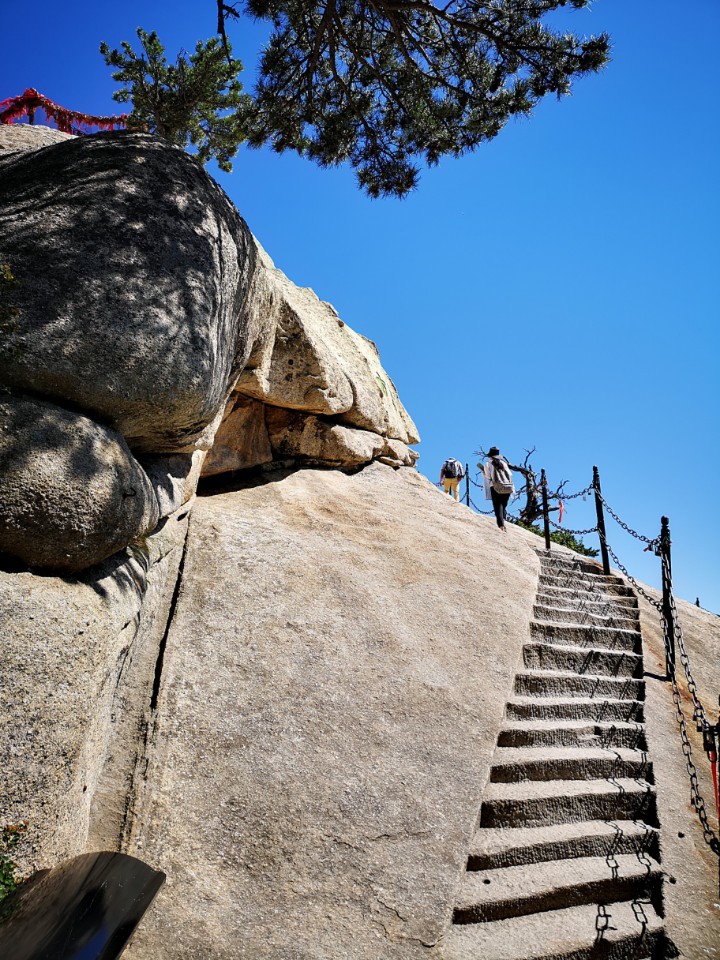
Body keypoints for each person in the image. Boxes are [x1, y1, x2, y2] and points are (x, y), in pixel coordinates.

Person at [481, 446, 514, 532]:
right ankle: (503, 521)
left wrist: (483, 473)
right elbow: (510, 475)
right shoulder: (504, 463)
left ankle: (501, 526)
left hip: (496, 487)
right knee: (503, 506)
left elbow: (488, 477)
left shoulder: (488, 464)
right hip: (507, 487)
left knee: (498, 506)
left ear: (490, 456)